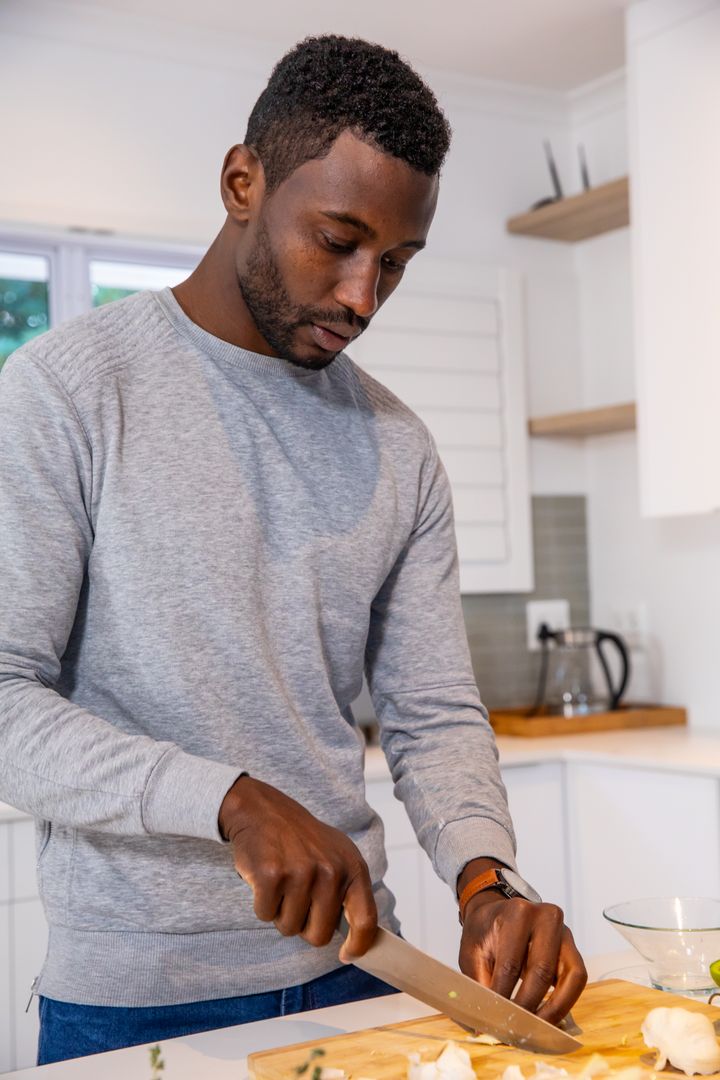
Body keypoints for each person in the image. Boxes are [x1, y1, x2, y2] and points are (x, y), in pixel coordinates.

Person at [0, 34, 586, 1066]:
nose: (365, 297)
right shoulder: (67, 394)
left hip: (362, 973)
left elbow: (433, 712)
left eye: (396, 264)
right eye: (338, 240)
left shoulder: (397, 447)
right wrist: (225, 798)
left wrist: (488, 879)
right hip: (139, 1002)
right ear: (242, 182)